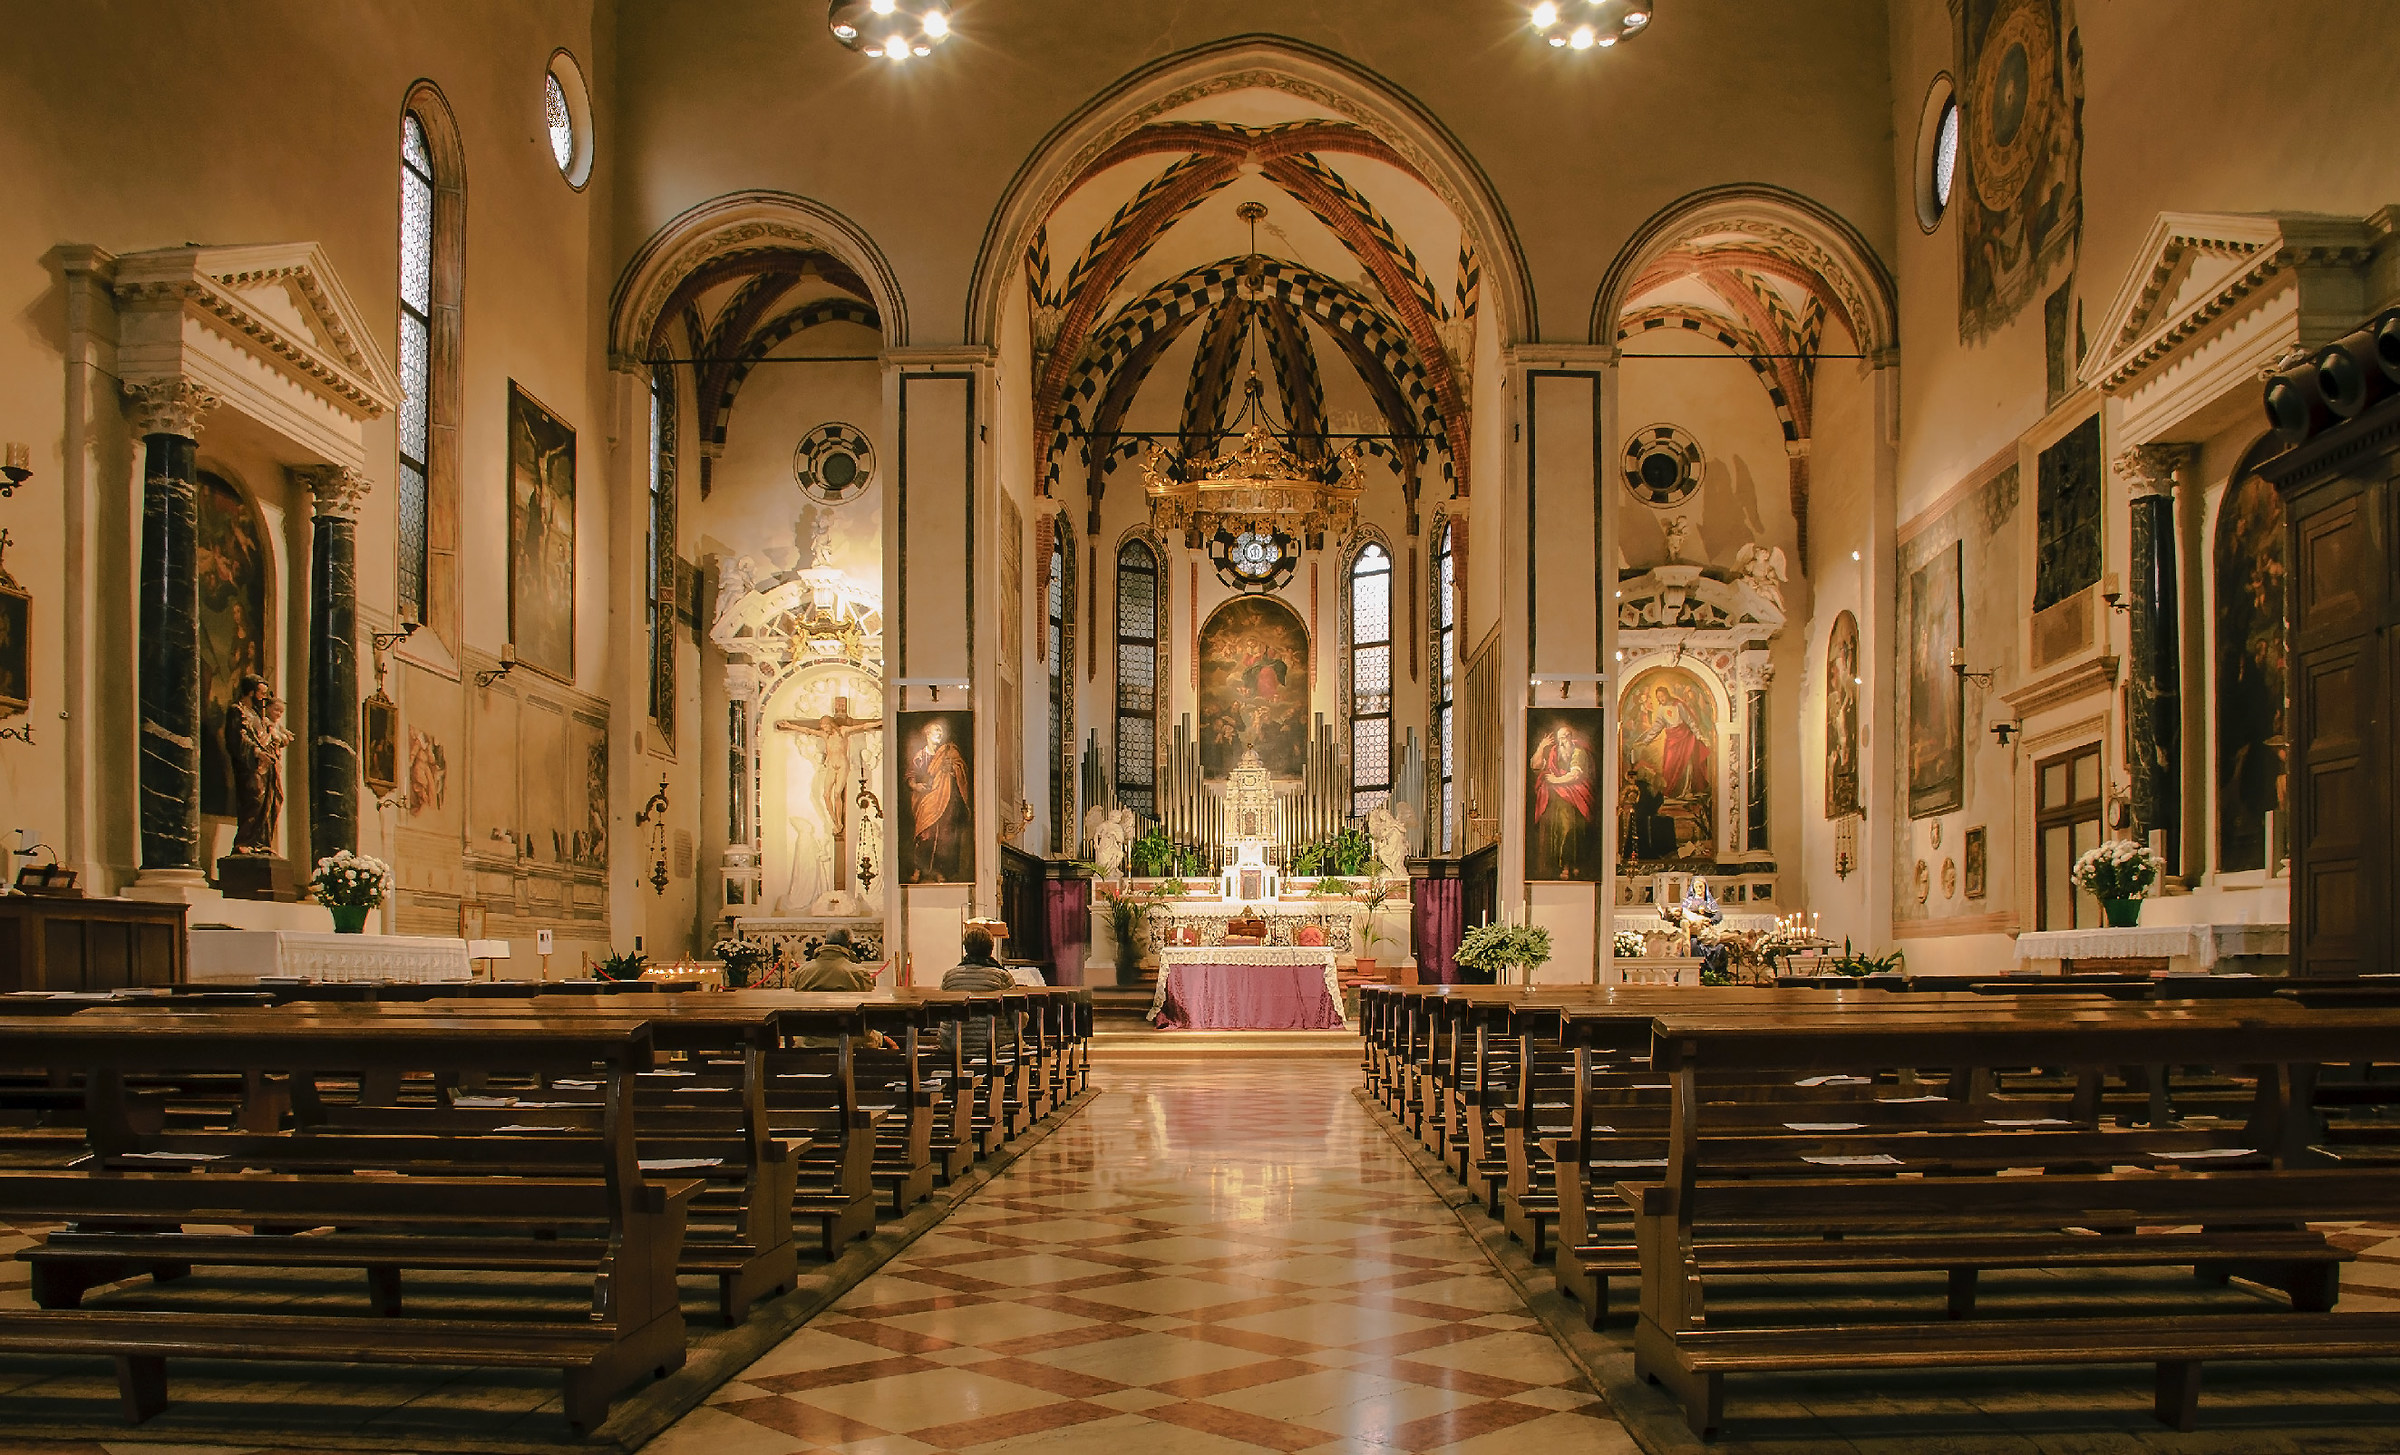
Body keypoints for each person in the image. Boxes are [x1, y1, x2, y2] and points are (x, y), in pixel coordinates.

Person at [940, 927, 1016, 1065]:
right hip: (994, 1044)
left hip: (954, 1044)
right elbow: (1017, 1016)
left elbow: (941, 1012)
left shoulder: (950, 976)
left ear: (966, 948)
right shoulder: (1001, 976)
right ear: (991, 948)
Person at [785, 929, 875, 991]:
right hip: (848, 1018)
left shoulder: (802, 972)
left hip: (807, 1019)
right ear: (849, 945)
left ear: (826, 942)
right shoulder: (859, 973)